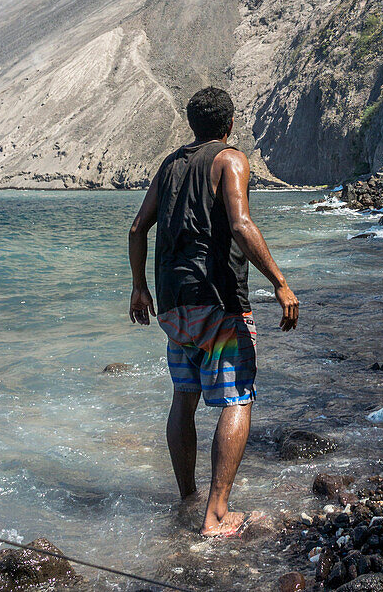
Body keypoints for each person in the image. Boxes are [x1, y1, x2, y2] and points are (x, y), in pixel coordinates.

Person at [128, 86, 299, 538]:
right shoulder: (230, 159)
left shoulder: (169, 165)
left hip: (173, 303)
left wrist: (139, 288)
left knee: (184, 397)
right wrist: (280, 283)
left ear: (192, 125)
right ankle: (217, 514)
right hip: (218, 301)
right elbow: (241, 225)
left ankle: (187, 500)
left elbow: (137, 227)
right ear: (229, 124)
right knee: (236, 396)